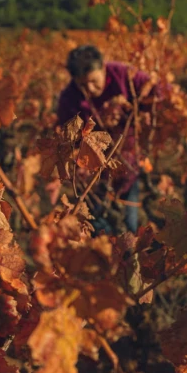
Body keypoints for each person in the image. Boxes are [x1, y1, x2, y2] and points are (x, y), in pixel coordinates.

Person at [57, 45, 153, 234]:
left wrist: (142, 111)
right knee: (100, 224)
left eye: (94, 81)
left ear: (103, 68)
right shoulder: (68, 99)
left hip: (128, 160)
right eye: (83, 85)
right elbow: (69, 140)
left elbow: (154, 88)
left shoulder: (123, 74)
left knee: (129, 223)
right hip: (95, 173)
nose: (90, 89)